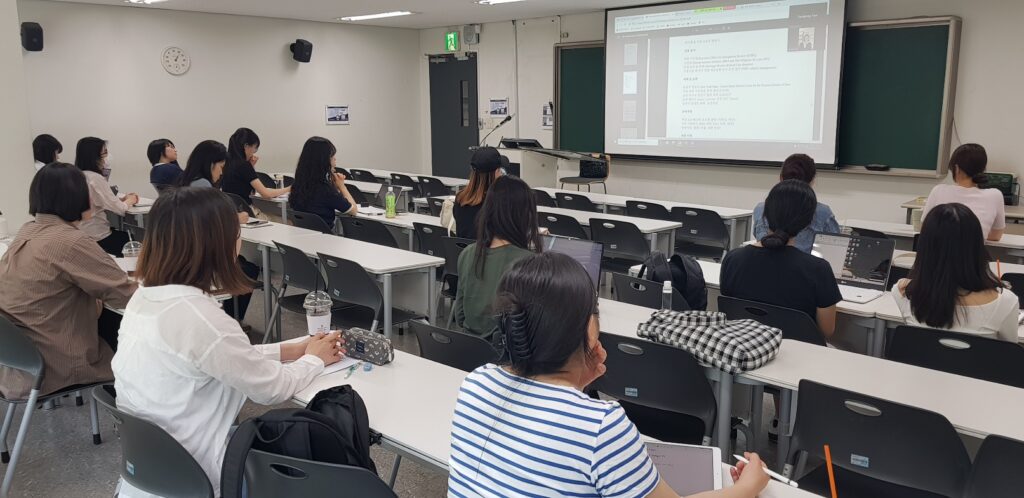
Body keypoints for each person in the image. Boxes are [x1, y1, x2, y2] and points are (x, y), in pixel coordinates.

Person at [448, 252, 769, 498]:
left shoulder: (477, 382)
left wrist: (576, 380)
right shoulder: (601, 426)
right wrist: (748, 487)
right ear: (589, 329)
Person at [112, 187, 344, 497]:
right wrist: (314, 359)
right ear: (215, 243)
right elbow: (271, 389)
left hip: (149, 472)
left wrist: (288, 349)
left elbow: (217, 355)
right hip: (199, 475)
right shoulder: (201, 318)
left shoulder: (145, 297)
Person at [0, 163, 136, 399]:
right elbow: (126, 294)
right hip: (56, 360)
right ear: (75, 196)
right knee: (134, 328)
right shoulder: (69, 241)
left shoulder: (28, 230)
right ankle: (132, 415)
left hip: (20, 360)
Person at [722, 179, 842, 339]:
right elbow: (826, 331)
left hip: (746, 348)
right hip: (800, 355)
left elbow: (730, 312)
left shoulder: (733, 259)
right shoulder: (818, 269)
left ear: (765, 214)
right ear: (808, 222)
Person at [893, 203, 1019, 341]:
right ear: (977, 246)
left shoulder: (902, 292)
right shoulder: (1006, 302)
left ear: (925, 246)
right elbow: (1010, 352)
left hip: (919, 362)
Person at [177, 140, 259, 322]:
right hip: (202, 259)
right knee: (249, 270)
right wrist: (237, 218)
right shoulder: (203, 187)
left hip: (187, 255)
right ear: (211, 164)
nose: (222, 172)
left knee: (244, 262)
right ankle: (229, 319)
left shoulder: (185, 181)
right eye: (221, 166)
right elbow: (213, 222)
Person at [454, 175, 540, 338]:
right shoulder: (530, 263)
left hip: (469, 351)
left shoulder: (467, 253)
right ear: (525, 215)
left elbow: (460, 316)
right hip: (508, 357)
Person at [753, 153, 840, 253]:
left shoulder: (760, 209)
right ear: (812, 181)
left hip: (762, 265)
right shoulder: (823, 212)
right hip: (807, 267)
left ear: (781, 178)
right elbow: (835, 251)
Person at [923, 143, 1005, 241]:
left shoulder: (939, 191)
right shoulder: (995, 195)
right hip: (973, 255)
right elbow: (996, 236)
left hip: (937, 255)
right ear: (983, 169)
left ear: (957, 169)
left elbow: (924, 228)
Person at [75, 137, 140, 257]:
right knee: (134, 240)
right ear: (94, 156)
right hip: (98, 236)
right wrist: (131, 200)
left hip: (82, 234)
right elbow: (120, 209)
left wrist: (119, 200)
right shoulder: (95, 178)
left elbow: (96, 201)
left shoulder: (77, 176)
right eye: (105, 153)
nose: (107, 157)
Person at [289, 136, 358, 229]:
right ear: (324, 161)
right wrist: (342, 186)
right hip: (326, 238)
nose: (335, 160)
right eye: (332, 156)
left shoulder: (298, 185)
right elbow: (353, 211)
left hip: (302, 235)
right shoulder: (326, 190)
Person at [220, 127, 289, 206]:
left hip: (232, 210)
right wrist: (289, 189)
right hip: (246, 211)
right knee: (282, 218)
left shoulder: (226, 162)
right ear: (246, 146)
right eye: (255, 148)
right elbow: (266, 194)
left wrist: (251, 166)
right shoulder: (244, 165)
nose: (254, 152)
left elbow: (245, 184)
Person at [453, 146, 506, 239]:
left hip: (465, 252)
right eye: (500, 171)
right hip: (489, 253)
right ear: (496, 172)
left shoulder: (460, 198)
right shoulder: (499, 202)